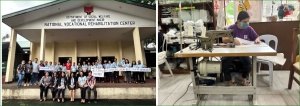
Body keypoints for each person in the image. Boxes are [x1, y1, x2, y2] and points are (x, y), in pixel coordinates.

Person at [222, 11, 261, 86]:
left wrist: (257, 39)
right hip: (232, 51)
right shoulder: (231, 28)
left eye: (248, 21)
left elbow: (257, 37)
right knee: (224, 62)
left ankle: (244, 78)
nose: (247, 23)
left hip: (244, 52)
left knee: (249, 64)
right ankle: (229, 80)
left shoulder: (249, 28)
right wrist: (232, 39)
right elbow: (224, 39)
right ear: (238, 21)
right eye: (245, 21)